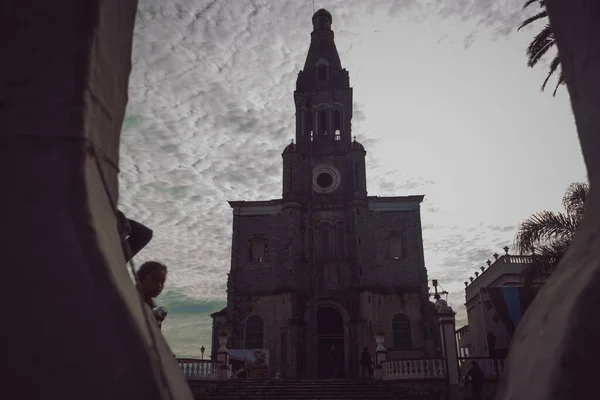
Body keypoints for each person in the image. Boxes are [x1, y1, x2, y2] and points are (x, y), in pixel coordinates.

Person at [136, 261, 167, 328]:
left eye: (162, 282)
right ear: (140, 278)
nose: (159, 285)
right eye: (154, 280)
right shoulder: (128, 299)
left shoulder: (152, 307)